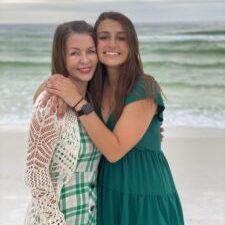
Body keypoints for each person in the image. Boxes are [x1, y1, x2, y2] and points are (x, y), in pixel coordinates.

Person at [38, 11, 184, 225]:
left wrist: (78, 102)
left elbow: (114, 151)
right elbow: (38, 96)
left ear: (132, 44)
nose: (112, 44)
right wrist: (57, 90)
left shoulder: (144, 86)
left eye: (121, 37)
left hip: (144, 194)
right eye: (104, 36)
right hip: (105, 192)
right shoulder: (94, 85)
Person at [24, 20, 102, 225]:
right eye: (74, 53)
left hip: (90, 217)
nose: (85, 60)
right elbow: (35, 172)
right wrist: (54, 221)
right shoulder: (50, 102)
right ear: (62, 57)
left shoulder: (94, 102)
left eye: (90, 51)